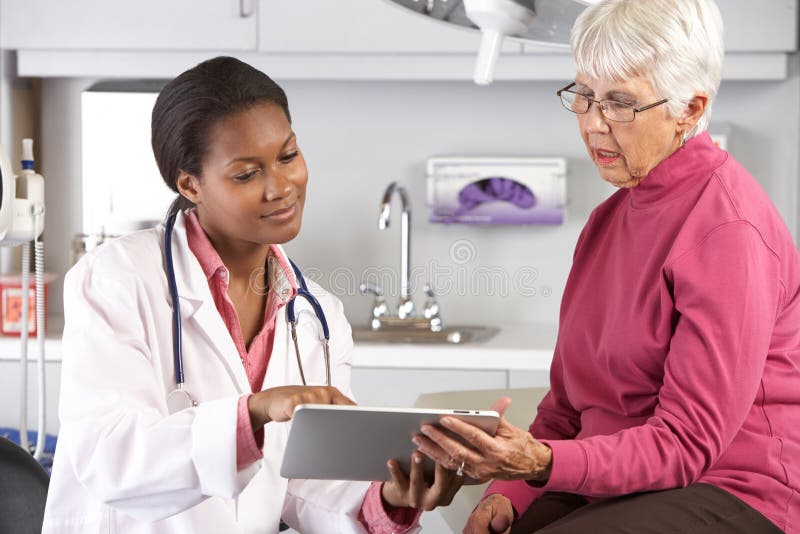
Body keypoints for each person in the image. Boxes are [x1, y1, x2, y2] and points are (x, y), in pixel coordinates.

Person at [413, 1, 800, 532]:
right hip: (619, 483)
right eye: (585, 96)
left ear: (689, 108)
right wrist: (508, 495)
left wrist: (542, 464)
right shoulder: (606, 221)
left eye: (620, 103)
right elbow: (567, 407)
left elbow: (687, 445)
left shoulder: (727, 230)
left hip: (733, 491)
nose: (593, 123)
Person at [42, 56, 462, 533]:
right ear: (189, 183)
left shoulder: (317, 316)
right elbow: (110, 459)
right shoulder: (117, 279)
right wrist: (255, 413)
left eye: (288, 156)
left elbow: (308, 486)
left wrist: (389, 498)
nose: (281, 187)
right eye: (246, 174)